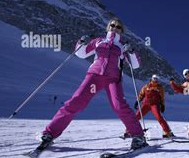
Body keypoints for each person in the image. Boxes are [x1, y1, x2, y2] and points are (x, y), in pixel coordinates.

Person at [40, 18, 146, 150]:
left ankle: (138, 136)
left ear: (121, 30)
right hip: (95, 77)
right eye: (112, 25)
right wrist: (82, 42)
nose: (114, 28)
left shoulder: (123, 45)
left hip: (113, 79)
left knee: (119, 106)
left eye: (118, 27)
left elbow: (135, 65)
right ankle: (50, 133)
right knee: (77, 101)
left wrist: (131, 51)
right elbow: (81, 53)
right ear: (108, 27)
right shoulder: (98, 41)